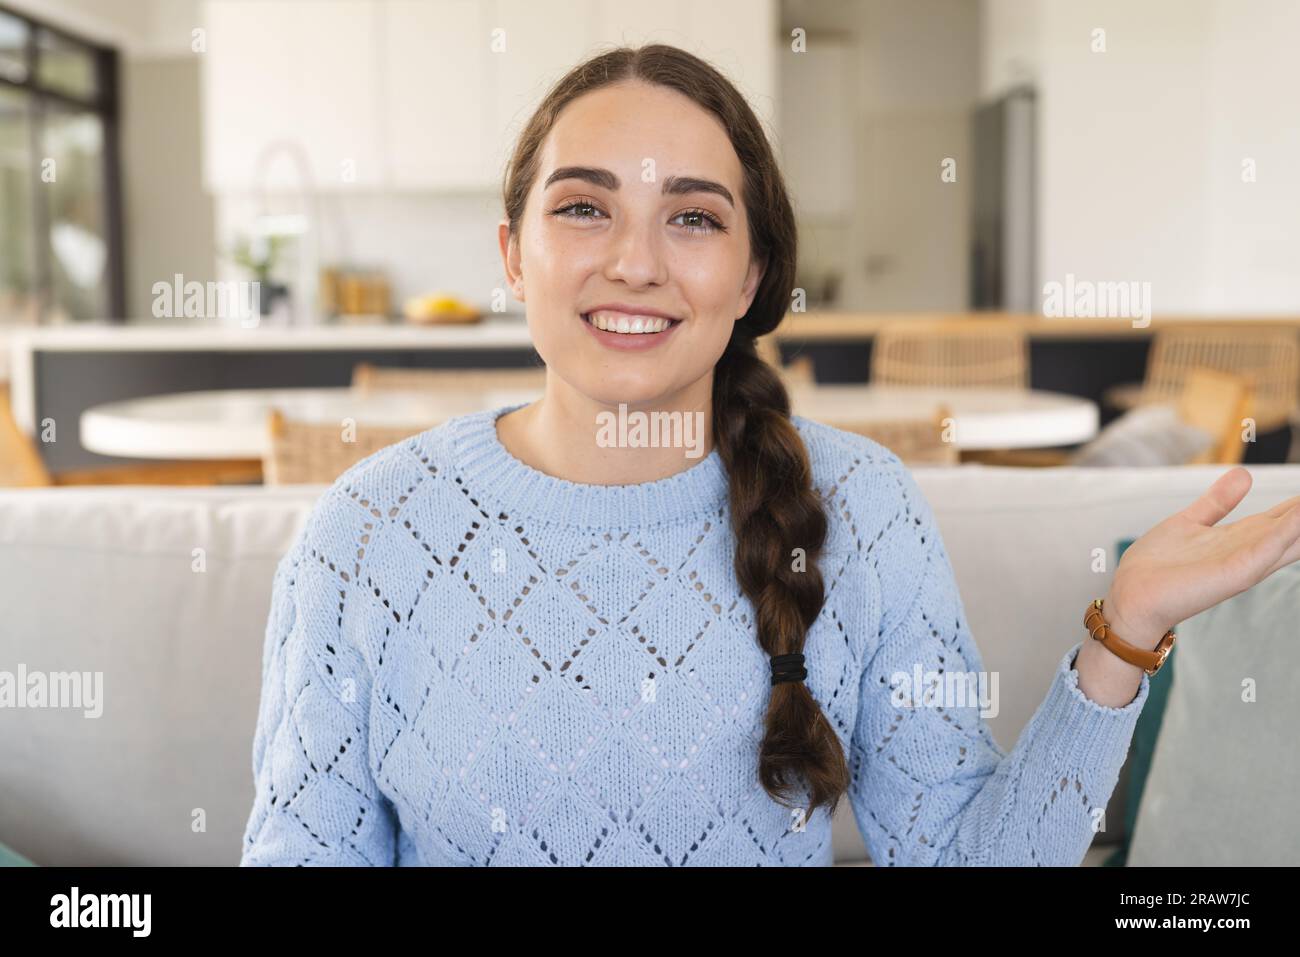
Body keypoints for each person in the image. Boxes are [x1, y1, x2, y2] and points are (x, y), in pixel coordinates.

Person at [240, 44, 1300, 866]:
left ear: (750, 279)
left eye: (692, 219)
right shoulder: (365, 531)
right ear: (513, 252)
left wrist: (1128, 634)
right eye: (582, 207)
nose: (635, 261)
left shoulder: (864, 511)